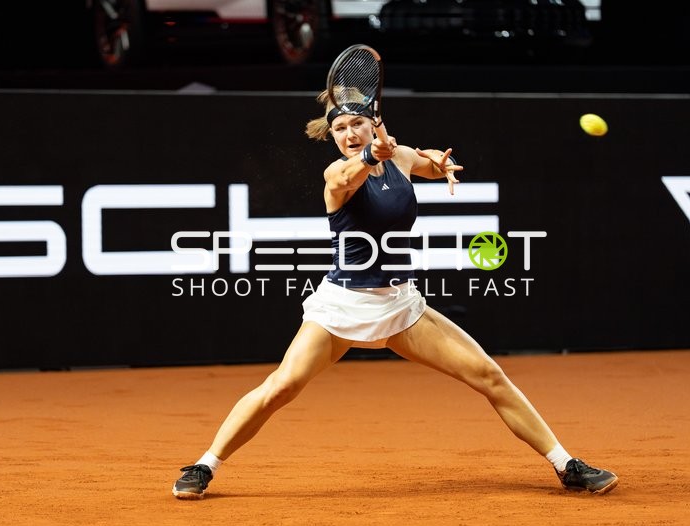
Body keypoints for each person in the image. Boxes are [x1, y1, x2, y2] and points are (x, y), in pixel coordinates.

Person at [172, 90, 618, 499]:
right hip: (341, 307)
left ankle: (566, 465)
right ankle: (204, 466)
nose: (347, 135)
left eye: (355, 125)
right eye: (339, 130)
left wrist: (438, 165)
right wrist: (368, 154)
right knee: (280, 387)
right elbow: (347, 175)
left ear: (374, 121)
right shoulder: (338, 170)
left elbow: (421, 163)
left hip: (401, 307)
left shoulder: (400, 156)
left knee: (489, 376)